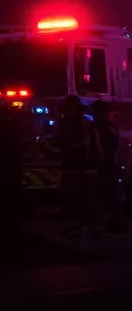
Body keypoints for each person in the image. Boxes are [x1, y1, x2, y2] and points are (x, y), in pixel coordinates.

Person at [51, 95, 101, 237]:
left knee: (75, 199)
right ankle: (90, 227)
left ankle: (78, 228)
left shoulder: (65, 124)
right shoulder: (87, 124)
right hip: (86, 168)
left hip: (74, 168)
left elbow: (57, 144)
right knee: (88, 200)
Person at [91, 101, 123, 231]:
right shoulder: (99, 128)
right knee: (105, 193)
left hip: (107, 165)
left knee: (109, 193)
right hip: (103, 165)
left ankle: (111, 220)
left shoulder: (108, 127)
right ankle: (106, 220)